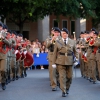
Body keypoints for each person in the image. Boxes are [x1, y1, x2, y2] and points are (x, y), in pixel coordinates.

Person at [52, 28, 78, 97]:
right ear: (61, 34)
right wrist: (54, 63)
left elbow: (76, 51)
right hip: (60, 61)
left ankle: (67, 88)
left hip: (70, 61)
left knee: (70, 77)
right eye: (63, 33)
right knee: (62, 77)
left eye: (66, 33)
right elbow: (54, 53)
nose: (64, 35)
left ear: (67, 34)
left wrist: (77, 60)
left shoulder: (72, 42)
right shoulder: (58, 42)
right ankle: (63, 91)